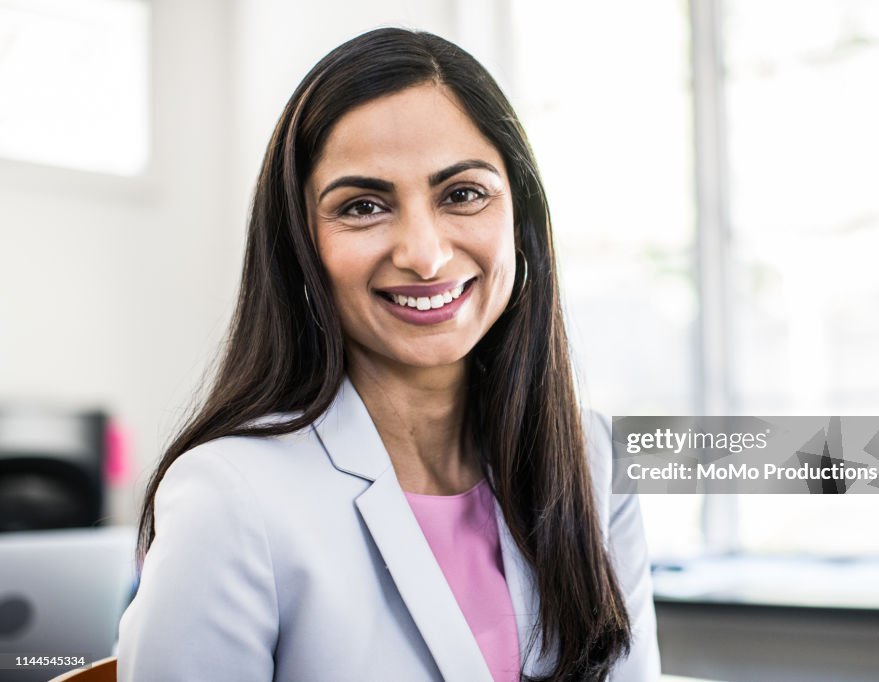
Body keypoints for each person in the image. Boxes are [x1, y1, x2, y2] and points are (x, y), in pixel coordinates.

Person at [117, 27, 660, 682]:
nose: (424, 254)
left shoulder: (596, 462)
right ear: (300, 245)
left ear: (520, 219)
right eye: (364, 206)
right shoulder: (229, 500)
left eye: (462, 194)